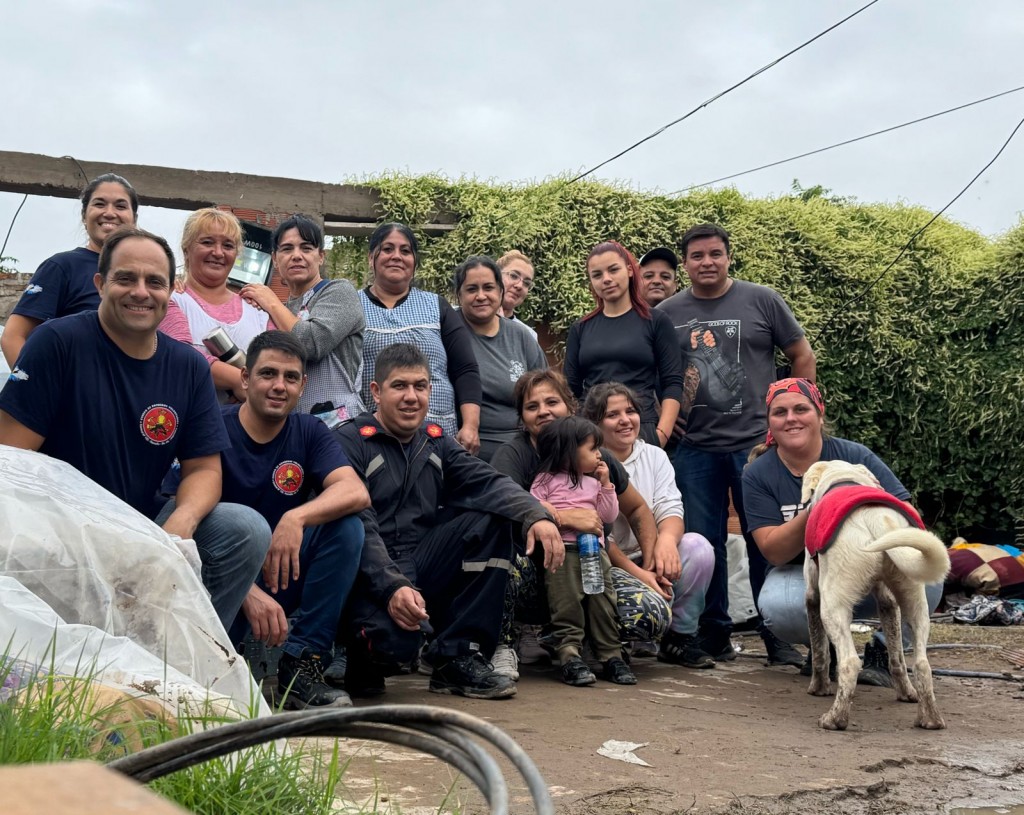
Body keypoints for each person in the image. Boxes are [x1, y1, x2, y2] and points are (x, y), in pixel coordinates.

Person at [0, 227, 269, 630]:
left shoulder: (189, 366)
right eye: (126, 278)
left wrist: (182, 522)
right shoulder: (57, 343)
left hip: (142, 525)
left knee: (244, 528)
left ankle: (183, 657)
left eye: (155, 282)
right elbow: (12, 465)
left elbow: (204, 469)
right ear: (100, 284)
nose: (141, 292)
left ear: (169, 292)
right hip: (59, 530)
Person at [333, 343, 562, 700]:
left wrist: (536, 514)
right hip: (368, 570)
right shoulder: (350, 442)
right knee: (392, 647)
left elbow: (488, 481)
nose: (412, 397)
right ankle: (358, 657)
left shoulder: (436, 442)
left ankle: (457, 657)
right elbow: (359, 527)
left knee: (492, 519)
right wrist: (393, 587)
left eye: (421, 386)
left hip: (422, 560)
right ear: (376, 391)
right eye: (400, 386)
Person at [658, 223, 816, 665]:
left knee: (768, 541)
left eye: (715, 254)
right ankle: (713, 635)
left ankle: (778, 636)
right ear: (685, 263)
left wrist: (792, 416)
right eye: (697, 256)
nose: (706, 262)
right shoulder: (667, 313)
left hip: (757, 447)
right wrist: (669, 419)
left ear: (728, 257)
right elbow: (661, 374)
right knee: (703, 544)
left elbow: (801, 355)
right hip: (696, 449)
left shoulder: (762, 299)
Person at [742, 377, 943, 686]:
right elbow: (773, 550)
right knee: (778, 606)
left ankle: (883, 651)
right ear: (769, 422)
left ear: (820, 415)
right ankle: (825, 649)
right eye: (779, 412)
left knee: (925, 577)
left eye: (801, 409)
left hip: (865, 562)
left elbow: (909, 516)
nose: (791, 418)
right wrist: (821, 506)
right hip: (803, 573)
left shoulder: (855, 457)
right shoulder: (759, 473)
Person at [212, 331, 368, 708]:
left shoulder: (309, 430)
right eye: (268, 374)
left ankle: (301, 668)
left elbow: (355, 492)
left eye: (291, 377)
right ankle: (215, 663)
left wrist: (295, 519)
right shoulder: (213, 427)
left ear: (303, 386)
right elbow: (179, 525)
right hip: (219, 581)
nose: (279, 386)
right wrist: (245, 591)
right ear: (246, 379)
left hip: (279, 568)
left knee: (347, 528)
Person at [490, 369, 675, 676]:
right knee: (500, 561)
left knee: (650, 613)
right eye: (532, 406)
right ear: (522, 418)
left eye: (552, 402)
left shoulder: (596, 457)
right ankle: (507, 641)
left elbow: (638, 509)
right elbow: (501, 508)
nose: (544, 411)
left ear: (570, 406)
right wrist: (560, 516)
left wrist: (649, 568)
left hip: (592, 562)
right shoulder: (515, 455)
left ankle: (595, 644)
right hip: (537, 575)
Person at [583, 383, 717, 668]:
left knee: (698, 548)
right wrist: (642, 574)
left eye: (630, 411)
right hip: (608, 561)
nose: (624, 420)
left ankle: (679, 638)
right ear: (595, 423)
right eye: (612, 414)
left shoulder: (654, 456)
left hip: (649, 551)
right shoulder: (587, 462)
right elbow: (599, 535)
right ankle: (606, 641)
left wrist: (665, 545)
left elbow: (670, 506)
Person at [530, 416, 635, 686]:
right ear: (567, 452)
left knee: (602, 601)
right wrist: (549, 510)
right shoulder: (546, 479)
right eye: (592, 449)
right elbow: (533, 504)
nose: (599, 455)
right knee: (566, 601)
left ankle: (611, 655)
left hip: (594, 552)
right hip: (562, 551)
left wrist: (607, 485)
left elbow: (608, 515)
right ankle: (569, 654)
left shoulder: (594, 482)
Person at [359, 223, 482, 450]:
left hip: (437, 434)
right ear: (371, 258)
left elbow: (465, 369)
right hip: (372, 437)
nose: (396, 256)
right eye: (387, 249)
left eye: (405, 251)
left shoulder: (436, 306)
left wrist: (471, 426)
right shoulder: (352, 305)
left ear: (414, 262)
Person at [238, 214, 365, 426]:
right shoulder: (281, 310)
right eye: (287, 249)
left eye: (306, 248)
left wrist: (271, 302)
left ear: (321, 256)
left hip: (339, 427)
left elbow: (311, 343)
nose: (297, 255)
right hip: (290, 425)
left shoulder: (339, 292)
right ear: (275, 259)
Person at [2, 173, 139, 366]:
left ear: (134, 218)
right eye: (99, 204)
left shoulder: (143, 273)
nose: (109, 212)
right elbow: (13, 336)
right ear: (84, 215)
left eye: (120, 206)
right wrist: (36, 388)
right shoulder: (61, 267)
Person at [564, 241, 683, 447]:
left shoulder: (656, 321)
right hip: (592, 433)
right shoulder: (580, 328)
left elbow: (672, 382)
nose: (606, 279)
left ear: (629, 270)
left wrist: (661, 434)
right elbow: (569, 390)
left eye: (613, 270)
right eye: (597, 275)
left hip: (640, 429)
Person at [159, 208, 270, 403]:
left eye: (228, 245)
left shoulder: (257, 309)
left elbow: (279, 360)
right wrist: (241, 381)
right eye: (207, 242)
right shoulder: (171, 299)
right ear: (186, 249)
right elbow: (180, 356)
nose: (218, 252)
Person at [454, 255, 547, 461]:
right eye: (471, 289)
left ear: (499, 291)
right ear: (459, 295)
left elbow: (546, 389)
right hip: (464, 449)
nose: (481, 296)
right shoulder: (448, 330)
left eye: (488, 288)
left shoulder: (521, 336)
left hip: (522, 448)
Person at [496, 250, 538, 339]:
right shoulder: (464, 318)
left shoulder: (529, 335)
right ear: (496, 275)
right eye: (514, 276)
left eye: (526, 283)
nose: (519, 286)